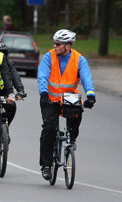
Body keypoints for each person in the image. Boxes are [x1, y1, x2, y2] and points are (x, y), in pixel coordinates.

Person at [38, 29, 95, 181]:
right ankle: (45, 165)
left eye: (58, 44)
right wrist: (43, 93)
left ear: (68, 46)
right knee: (49, 128)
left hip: (69, 98)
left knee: (77, 115)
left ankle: (72, 139)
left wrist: (91, 95)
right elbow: (42, 75)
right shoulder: (48, 57)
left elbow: (86, 78)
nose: (54, 46)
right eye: (54, 43)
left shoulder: (79, 59)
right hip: (49, 98)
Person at [0, 43, 27, 127]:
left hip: (6, 91)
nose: (1, 56)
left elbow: (15, 76)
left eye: (4, 53)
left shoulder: (9, 63)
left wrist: (20, 90)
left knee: (11, 106)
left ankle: (5, 128)